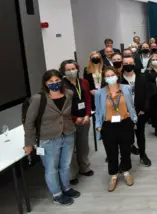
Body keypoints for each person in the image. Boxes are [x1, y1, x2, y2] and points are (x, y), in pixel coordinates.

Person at [24, 70, 81, 205]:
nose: (54, 83)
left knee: (65, 165)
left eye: (57, 80)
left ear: (61, 81)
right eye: (51, 81)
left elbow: (66, 115)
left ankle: (66, 188)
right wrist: (29, 143)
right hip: (48, 139)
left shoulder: (69, 94)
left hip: (67, 135)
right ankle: (57, 194)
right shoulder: (39, 99)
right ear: (45, 83)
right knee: (51, 168)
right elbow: (29, 122)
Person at [95, 67, 137, 191]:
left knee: (125, 150)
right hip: (108, 126)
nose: (110, 77)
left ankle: (126, 172)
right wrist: (98, 125)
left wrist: (133, 118)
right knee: (111, 152)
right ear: (104, 78)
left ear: (117, 75)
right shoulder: (99, 93)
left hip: (125, 123)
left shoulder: (126, 88)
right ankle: (113, 176)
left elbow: (131, 104)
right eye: (107, 76)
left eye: (112, 75)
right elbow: (98, 111)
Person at [59, 60, 93, 186]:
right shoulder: (61, 85)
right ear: (64, 71)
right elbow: (61, 107)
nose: (71, 71)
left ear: (77, 69)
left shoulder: (84, 82)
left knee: (83, 145)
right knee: (70, 148)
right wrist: (74, 118)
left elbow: (88, 100)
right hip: (69, 120)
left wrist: (87, 114)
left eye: (73, 68)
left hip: (84, 118)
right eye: (68, 69)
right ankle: (72, 173)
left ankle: (85, 167)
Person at [120, 56, 151, 166]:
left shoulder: (141, 77)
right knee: (126, 137)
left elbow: (147, 94)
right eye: (125, 63)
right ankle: (125, 159)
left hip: (140, 112)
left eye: (130, 62)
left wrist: (144, 109)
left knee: (140, 135)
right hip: (125, 113)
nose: (128, 64)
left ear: (134, 64)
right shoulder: (119, 79)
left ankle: (143, 155)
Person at [146, 54, 157, 136]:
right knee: (155, 112)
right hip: (153, 95)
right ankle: (156, 127)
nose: (155, 61)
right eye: (153, 59)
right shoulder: (148, 71)